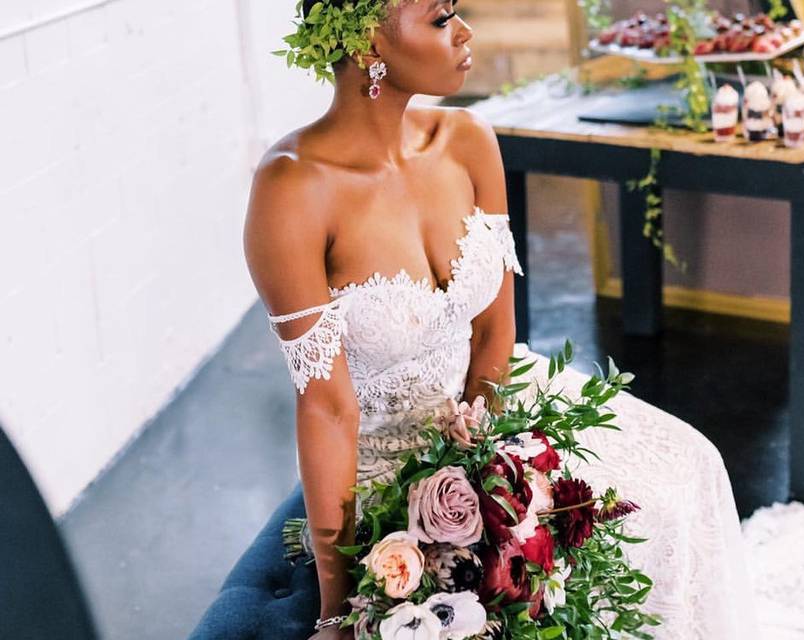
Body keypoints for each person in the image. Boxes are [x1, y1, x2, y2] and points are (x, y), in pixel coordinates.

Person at [242, 0, 760, 638]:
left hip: (493, 407)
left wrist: (490, 461)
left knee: (691, 463)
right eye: (440, 18)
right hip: (389, 465)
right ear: (368, 43)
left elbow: (493, 331)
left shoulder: (467, 140)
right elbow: (327, 409)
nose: (464, 33)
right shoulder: (293, 190)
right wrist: (337, 608)